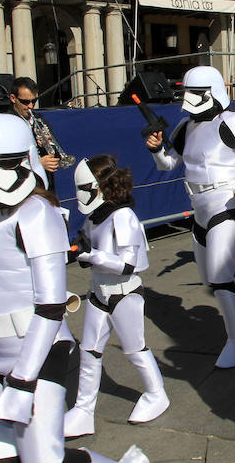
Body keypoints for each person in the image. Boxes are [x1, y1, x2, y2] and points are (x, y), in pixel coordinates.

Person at [0, 114, 114, 463]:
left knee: (44, 459)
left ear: (25, 160)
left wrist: (24, 378)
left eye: (0, 163)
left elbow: (51, 306)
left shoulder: (36, 213)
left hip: (36, 357)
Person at [145, 65, 235, 368]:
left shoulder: (230, 121)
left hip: (229, 201)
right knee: (212, 277)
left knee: (219, 275)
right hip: (200, 206)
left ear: (213, 92)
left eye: (196, 92)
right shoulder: (185, 127)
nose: (189, 98)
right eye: (187, 91)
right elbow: (168, 164)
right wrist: (156, 148)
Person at [64, 155, 169, 437]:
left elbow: (128, 264)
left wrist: (91, 254)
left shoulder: (123, 217)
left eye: (85, 189)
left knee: (135, 349)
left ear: (100, 187)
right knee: (89, 351)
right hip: (99, 291)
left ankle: (156, 393)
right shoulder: (96, 216)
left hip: (124, 293)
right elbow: (88, 247)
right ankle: (83, 410)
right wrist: (80, 249)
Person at [8, 76, 64, 191]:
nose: (30, 106)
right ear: (13, 98)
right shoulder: (8, 122)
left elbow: (56, 157)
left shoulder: (39, 119)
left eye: (34, 101)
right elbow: (8, 162)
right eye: (25, 102)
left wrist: (49, 144)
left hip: (45, 185)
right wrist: (37, 164)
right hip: (24, 187)